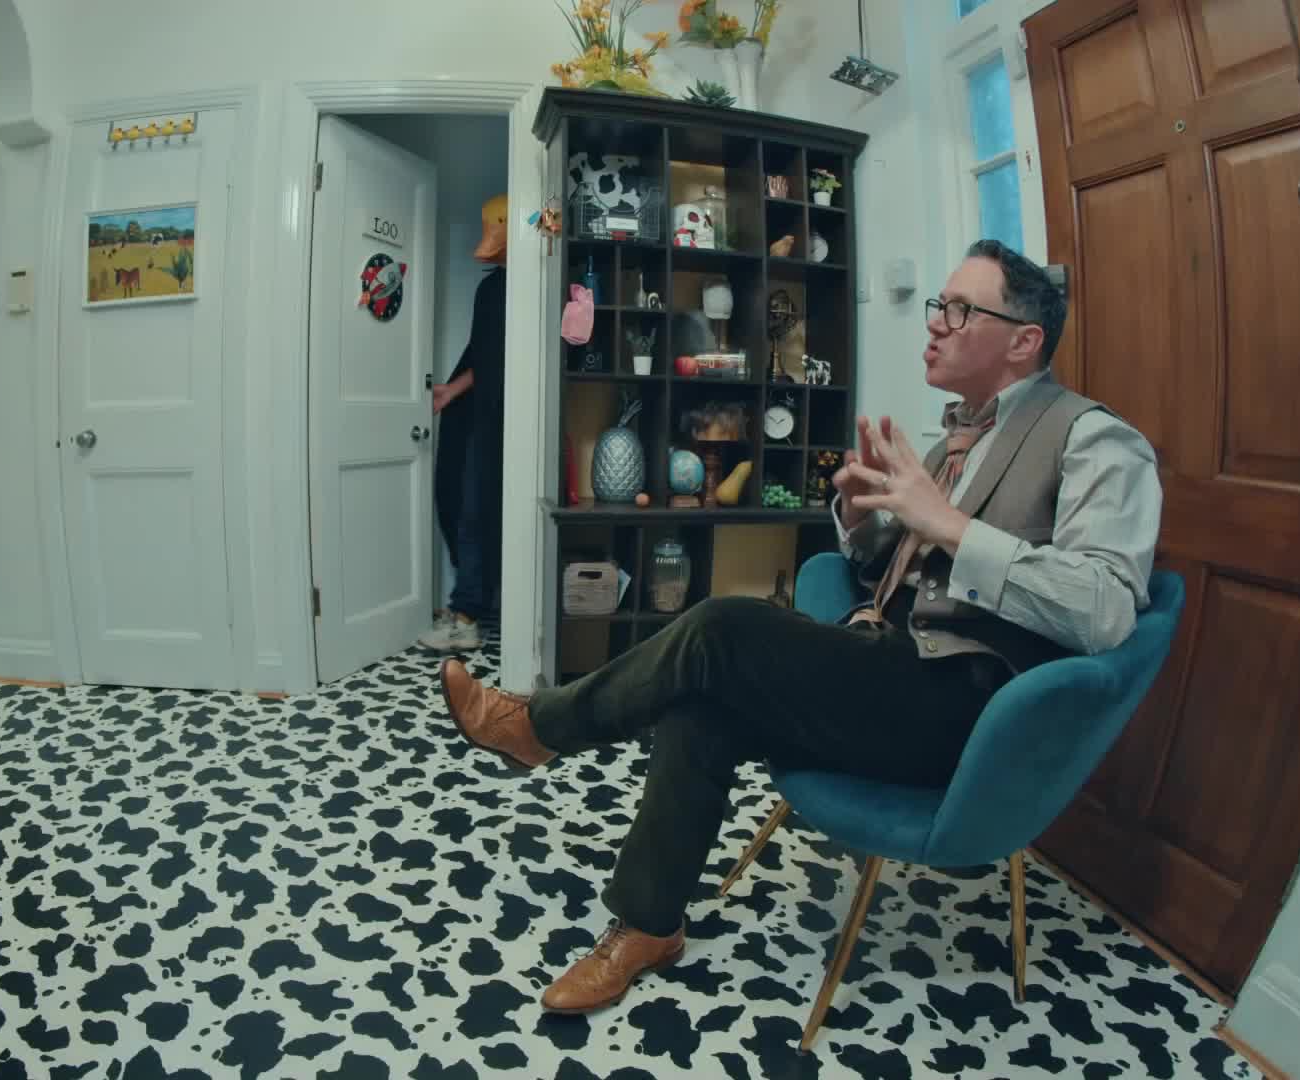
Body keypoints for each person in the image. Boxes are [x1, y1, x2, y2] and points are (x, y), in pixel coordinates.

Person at [438, 239, 1162, 1013]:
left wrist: (948, 524)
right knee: (702, 700)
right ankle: (648, 924)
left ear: (1024, 341)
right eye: (938, 306)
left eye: (959, 310)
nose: (935, 323)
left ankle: (539, 727)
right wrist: (858, 511)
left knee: (722, 629)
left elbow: (1106, 609)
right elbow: (890, 564)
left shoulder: (1096, 440)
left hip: (971, 713)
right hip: (888, 664)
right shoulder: (954, 441)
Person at [421, 194, 508, 653]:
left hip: (510, 422)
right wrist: (450, 392)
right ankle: (468, 610)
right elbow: (483, 356)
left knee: (481, 512)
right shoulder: (491, 290)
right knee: (465, 503)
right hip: (483, 417)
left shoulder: (533, 286)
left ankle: (468, 616)